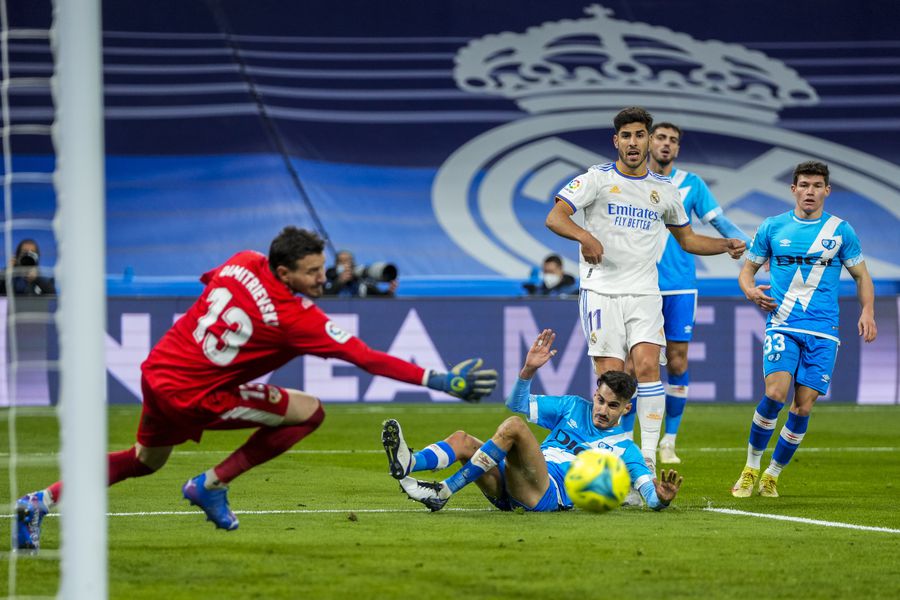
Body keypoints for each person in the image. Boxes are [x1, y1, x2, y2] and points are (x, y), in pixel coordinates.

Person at [14, 226, 498, 551]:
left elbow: (212, 286)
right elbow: (364, 357)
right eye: (312, 271)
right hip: (193, 394)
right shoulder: (296, 318)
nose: (321, 277)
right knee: (310, 412)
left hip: (158, 372)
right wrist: (438, 380)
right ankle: (211, 483)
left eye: (322, 267)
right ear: (285, 273)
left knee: (145, 461)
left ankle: (40, 502)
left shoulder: (242, 260)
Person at [544, 106, 746, 475]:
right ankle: (612, 461)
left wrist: (725, 245)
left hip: (645, 292)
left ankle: (647, 462)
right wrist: (585, 235)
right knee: (611, 378)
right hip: (601, 291)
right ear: (616, 141)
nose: (633, 142)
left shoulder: (665, 191)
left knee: (649, 367)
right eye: (626, 136)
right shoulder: (595, 179)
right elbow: (555, 216)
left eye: (640, 135)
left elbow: (687, 239)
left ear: (649, 140)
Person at [383, 328, 683, 512]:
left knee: (514, 428)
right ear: (595, 394)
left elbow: (648, 494)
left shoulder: (625, 450)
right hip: (514, 484)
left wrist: (662, 499)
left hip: (545, 494)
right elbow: (516, 403)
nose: (602, 410)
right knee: (462, 439)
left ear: (625, 410)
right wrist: (527, 371)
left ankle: (443, 490)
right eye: (601, 400)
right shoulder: (572, 407)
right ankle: (410, 462)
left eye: (613, 406)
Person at [730, 161, 877, 498]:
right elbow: (747, 271)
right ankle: (751, 467)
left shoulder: (841, 231)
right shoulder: (772, 227)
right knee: (775, 394)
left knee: (804, 407)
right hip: (782, 324)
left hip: (824, 331)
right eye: (804, 185)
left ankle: (772, 474)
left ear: (827, 191)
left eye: (817, 185)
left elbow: (862, 276)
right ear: (793, 189)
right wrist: (750, 290)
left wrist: (868, 310)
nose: (810, 191)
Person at [618, 122, 753, 464]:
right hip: (639, 283)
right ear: (649, 142)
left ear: (678, 149)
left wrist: (752, 250)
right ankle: (625, 441)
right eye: (660, 137)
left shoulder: (692, 185)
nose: (665, 144)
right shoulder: (631, 182)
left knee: (677, 361)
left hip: (679, 285)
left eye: (672, 141)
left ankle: (669, 441)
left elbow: (720, 224)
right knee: (633, 365)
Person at [324, 249, 398, 297]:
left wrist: (389, 292)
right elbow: (323, 297)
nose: (347, 265)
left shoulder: (361, 283)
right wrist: (339, 282)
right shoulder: (327, 279)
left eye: (349, 261)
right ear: (336, 264)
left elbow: (380, 299)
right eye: (342, 262)